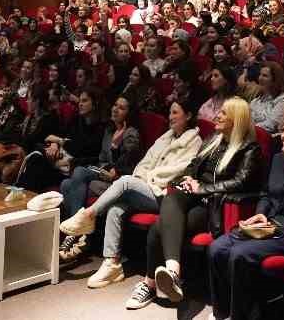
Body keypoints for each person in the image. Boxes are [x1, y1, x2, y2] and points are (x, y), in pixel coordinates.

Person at [130, 97, 262, 307]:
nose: (217, 116)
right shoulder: (213, 139)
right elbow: (193, 164)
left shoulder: (249, 148)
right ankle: (171, 273)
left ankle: (150, 284)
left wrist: (202, 188)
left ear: (236, 120)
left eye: (224, 113)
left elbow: (241, 181)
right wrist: (189, 178)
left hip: (213, 204)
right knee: (171, 197)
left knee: (159, 225)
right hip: (191, 196)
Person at [58, 98, 203, 288]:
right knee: (116, 208)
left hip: (165, 194)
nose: (170, 117)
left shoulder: (195, 141)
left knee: (124, 182)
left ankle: (87, 215)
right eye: (169, 112)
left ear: (189, 116)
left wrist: (148, 178)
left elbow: (179, 170)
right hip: (146, 185)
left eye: (175, 113)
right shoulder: (166, 136)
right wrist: (142, 177)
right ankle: (112, 263)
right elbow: (144, 162)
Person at [205, 113, 284, 319]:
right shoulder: (278, 160)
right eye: (283, 130)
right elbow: (266, 193)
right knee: (217, 247)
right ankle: (221, 312)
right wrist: (261, 214)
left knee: (240, 254)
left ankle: (240, 316)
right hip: (269, 224)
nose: (283, 135)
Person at [58, 94, 144, 261]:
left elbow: (129, 161)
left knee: (77, 175)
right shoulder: (109, 129)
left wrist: (114, 147)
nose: (115, 109)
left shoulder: (131, 133)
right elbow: (102, 158)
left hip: (120, 178)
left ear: (129, 113)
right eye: (115, 105)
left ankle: (78, 232)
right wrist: (104, 166)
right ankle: (82, 235)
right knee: (66, 184)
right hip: (103, 172)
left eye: (121, 107)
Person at [247, 62, 284, 132]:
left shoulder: (283, 99)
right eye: (260, 75)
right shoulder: (255, 101)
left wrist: (248, 128)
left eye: (265, 76)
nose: (260, 78)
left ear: (275, 80)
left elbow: (272, 124)